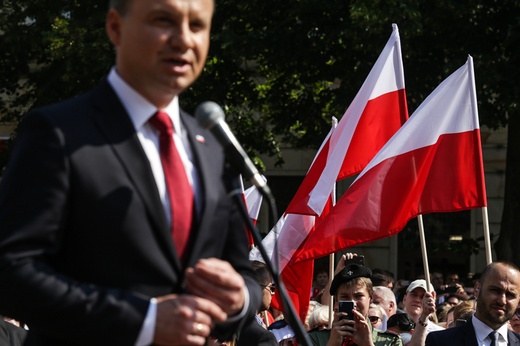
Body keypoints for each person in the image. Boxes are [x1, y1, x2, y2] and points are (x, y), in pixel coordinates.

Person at [0, 0, 261, 344]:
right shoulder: (57, 133)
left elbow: (242, 272)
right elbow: (12, 274)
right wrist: (145, 321)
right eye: (163, 20)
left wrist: (240, 299)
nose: (183, 39)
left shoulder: (211, 146)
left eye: (197, 25)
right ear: (115, 27)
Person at [426, 261, 520, 345]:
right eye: (495, 290)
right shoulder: (441, 341)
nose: (502, 300)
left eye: (510, 295)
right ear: (477, 289)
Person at [308, 263, 402, 346]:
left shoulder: (390, 341)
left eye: (359, 296)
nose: (352, 302)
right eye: (345, 297)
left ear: (371, 298)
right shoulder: (315, 339)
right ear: (336, 301)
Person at [236, 262, 278, 346]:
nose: (272, 293)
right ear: (258, 289)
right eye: (271, 288)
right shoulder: (263, 337)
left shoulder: (223, 324)